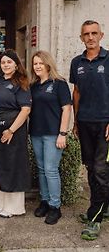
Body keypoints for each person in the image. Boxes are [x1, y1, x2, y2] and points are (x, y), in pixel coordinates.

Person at [70, 20, 109, 240]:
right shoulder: (77, 62)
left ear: (101, 35)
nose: (91, 37)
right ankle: (104, 207)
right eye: (86, 34)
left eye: (94, 33)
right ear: (81, 37)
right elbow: (76, 93)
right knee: (93, 169)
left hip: (105, 124)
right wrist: (75, 122)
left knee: (100, 170)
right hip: (84, 123)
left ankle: (95, 219)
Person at [29, 51, 72, 225]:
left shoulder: (59, 83)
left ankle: (55, 207)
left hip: (53, 134)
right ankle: (45, 202)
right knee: (41, 169)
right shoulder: (33, 85)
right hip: (36, 133)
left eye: (40, 63)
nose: (37, 66)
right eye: (35, 64)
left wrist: (62, 133)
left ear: (48, 64)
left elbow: (67, 109)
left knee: (51, 170)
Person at [0, 49, 31, 218]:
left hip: (14, 130)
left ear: (16, 64)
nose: (5, 65)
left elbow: (26, 109)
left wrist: (11, 130)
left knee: (13, 165)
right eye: (3, 62)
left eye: (9, 62)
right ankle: (0, 203)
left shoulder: (21, 82)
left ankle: (14, 207)